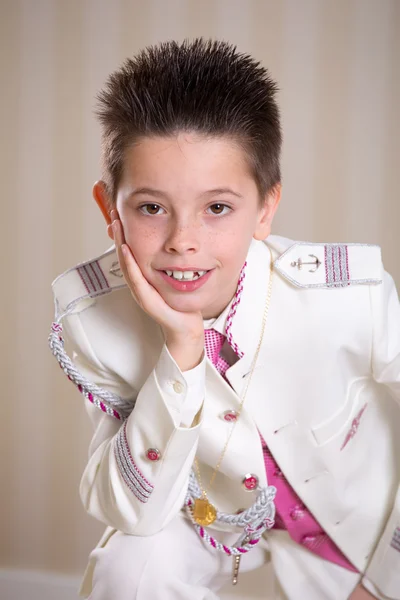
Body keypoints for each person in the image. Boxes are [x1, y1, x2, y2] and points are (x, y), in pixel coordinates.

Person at [49, 39, 400, 600]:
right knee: (130, 565)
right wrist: (181, 353)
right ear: (109, 211)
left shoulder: (346, 298)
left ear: (264, 208)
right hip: (213, 514)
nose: (182, 242)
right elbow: (130, 510)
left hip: (371, 522)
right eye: (150, 208)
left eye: (217, 208)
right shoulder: (94, 323)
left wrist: (385, 582)